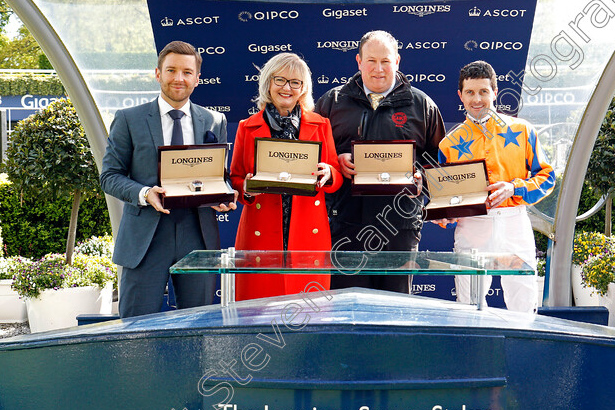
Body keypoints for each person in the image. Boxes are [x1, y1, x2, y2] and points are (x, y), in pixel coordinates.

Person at [100, 40, 236, 318]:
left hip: (197, 235)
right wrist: (144, 192)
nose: (179, 78)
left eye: (187, 72)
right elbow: (109, 176)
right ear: (158, 73)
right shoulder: (129, 119)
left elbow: (219, 176)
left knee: (197, 328)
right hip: (145, 237)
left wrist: (224, 194)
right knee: (136, 328)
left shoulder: (214, 121)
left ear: (197, 79)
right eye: (171, 70)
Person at [315, 30, 446, 294]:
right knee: (347, 309)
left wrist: (421, 175)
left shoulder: (422, 105)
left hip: (399, 225)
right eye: (371, 61)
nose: (378, 69)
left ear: (397, 61)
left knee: (396, 309)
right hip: (345, 224)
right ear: (358, 61)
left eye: (385, 61)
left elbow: (440, 162)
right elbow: (312, 157)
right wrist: (335, 162)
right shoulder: (332, 102)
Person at [436, 61, 554, 312]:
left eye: (483, 92)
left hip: (514, 223)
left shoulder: (523, 130)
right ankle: (474, 351)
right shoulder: (448, 144)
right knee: (468, 305)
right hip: (473, 226)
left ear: (495, 92)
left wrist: (515, 188)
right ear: (460, 95)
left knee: (524, 302)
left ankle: (523, 350)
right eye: (470, 92)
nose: (477, 99)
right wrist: (445, 214)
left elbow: (548, 178)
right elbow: (446, 198)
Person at [230, 53, 343, 300]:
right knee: (257, 309)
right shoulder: (246, 127)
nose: (287, 88)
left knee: (307, 310)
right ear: (268, 83)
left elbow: (336, 174)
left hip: (308, 227)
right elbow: (235, 178)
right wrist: (247, 187)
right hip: (261, 227)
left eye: (295, 82)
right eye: (280, 80)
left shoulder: (321, 124)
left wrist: (329, 173)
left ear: (303, 89)